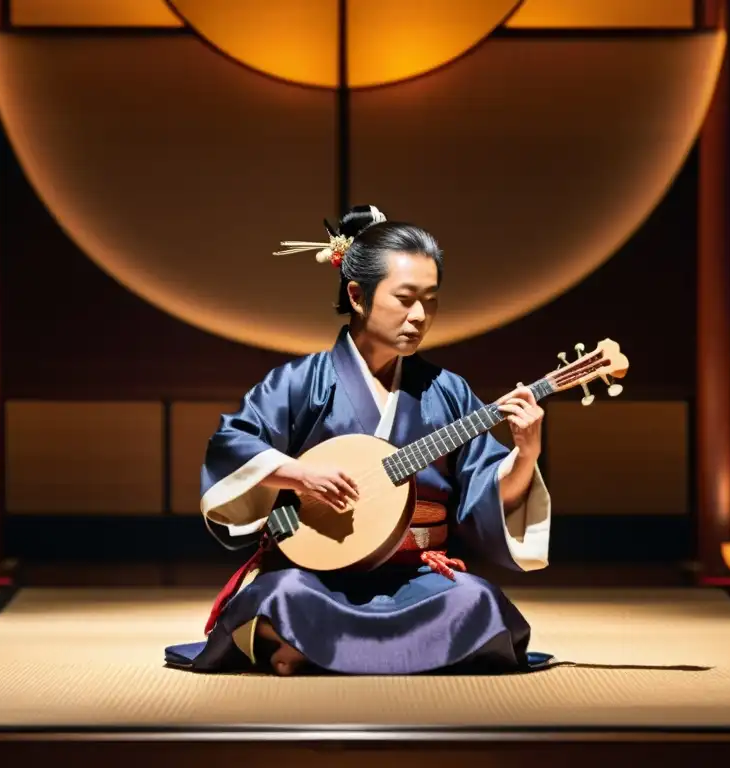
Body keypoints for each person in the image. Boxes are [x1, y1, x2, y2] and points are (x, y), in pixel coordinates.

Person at [165, 205, 553, 676]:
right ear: (357, 295)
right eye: (405, 298)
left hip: (417, 575)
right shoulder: (302, 381)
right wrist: (298, 475)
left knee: (480, 603)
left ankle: (309, 649)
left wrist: (526, 452)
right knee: (279, 597)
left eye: (430, 300)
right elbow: (231, 446)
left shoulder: (448, 391)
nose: (419, 316)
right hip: (315, 573)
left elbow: (484, 497)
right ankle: (370, 648)